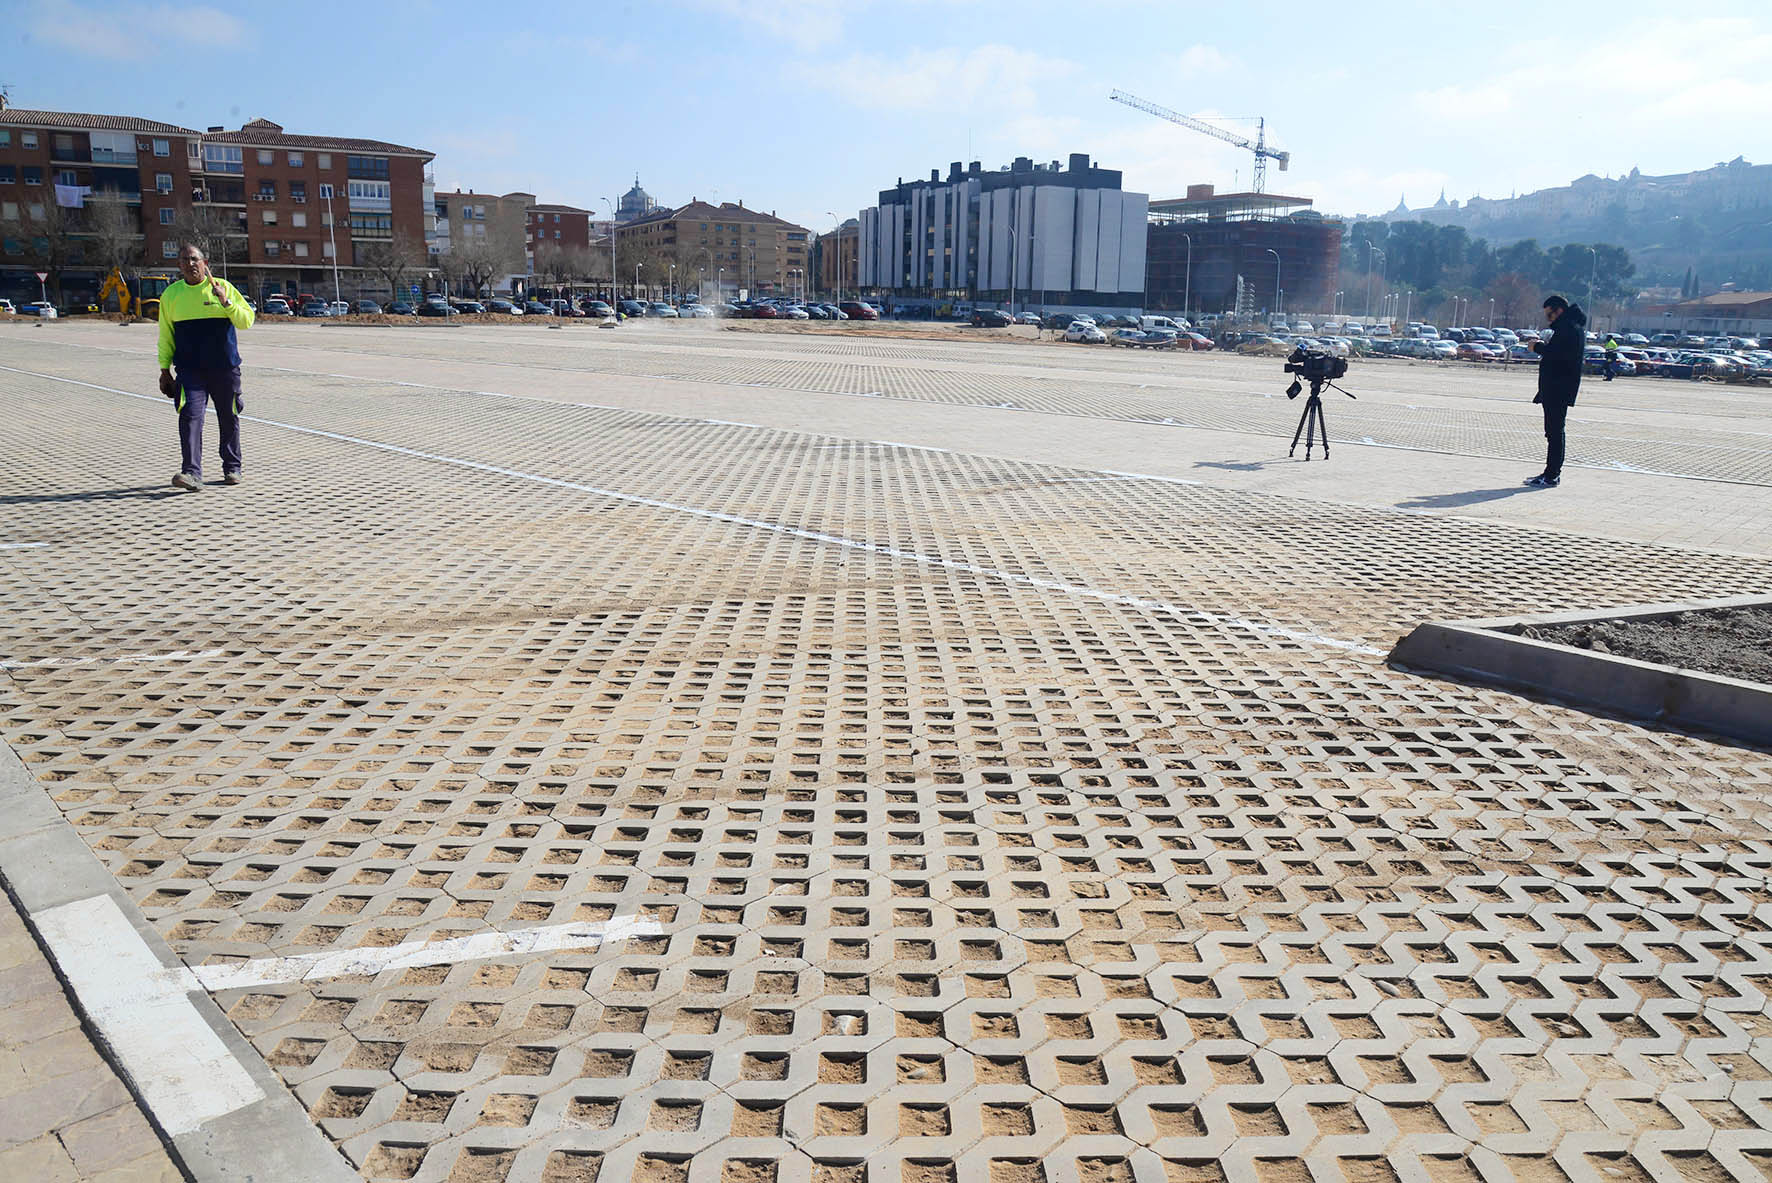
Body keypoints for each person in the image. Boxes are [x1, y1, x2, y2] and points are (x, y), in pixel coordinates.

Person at [157, 243, 254, 491]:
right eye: (184, 260)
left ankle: (232, 468)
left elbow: (246, 322)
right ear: (179, 266)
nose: (189, 264)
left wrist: (226, 302)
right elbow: (166, 334)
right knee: (189, 417)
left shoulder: (223, 288)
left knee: (229, 417)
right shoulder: (171, 295)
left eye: (194, 259)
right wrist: (164, 369)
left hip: (224, 369)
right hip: (190, 371)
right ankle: (191, 473)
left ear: (205, 263)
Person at [1524, 294, 1586, 488]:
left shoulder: (1568, 329)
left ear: (1558, 310)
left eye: (1549, 315)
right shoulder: (1569, 327)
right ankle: (1550, 472)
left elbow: (1559, 355)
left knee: (1555, 432)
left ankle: (1552, 475)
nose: (1548, 319)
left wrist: (1538, 347)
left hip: (1559, 387)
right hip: (1557, 386)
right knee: (1553, 432)